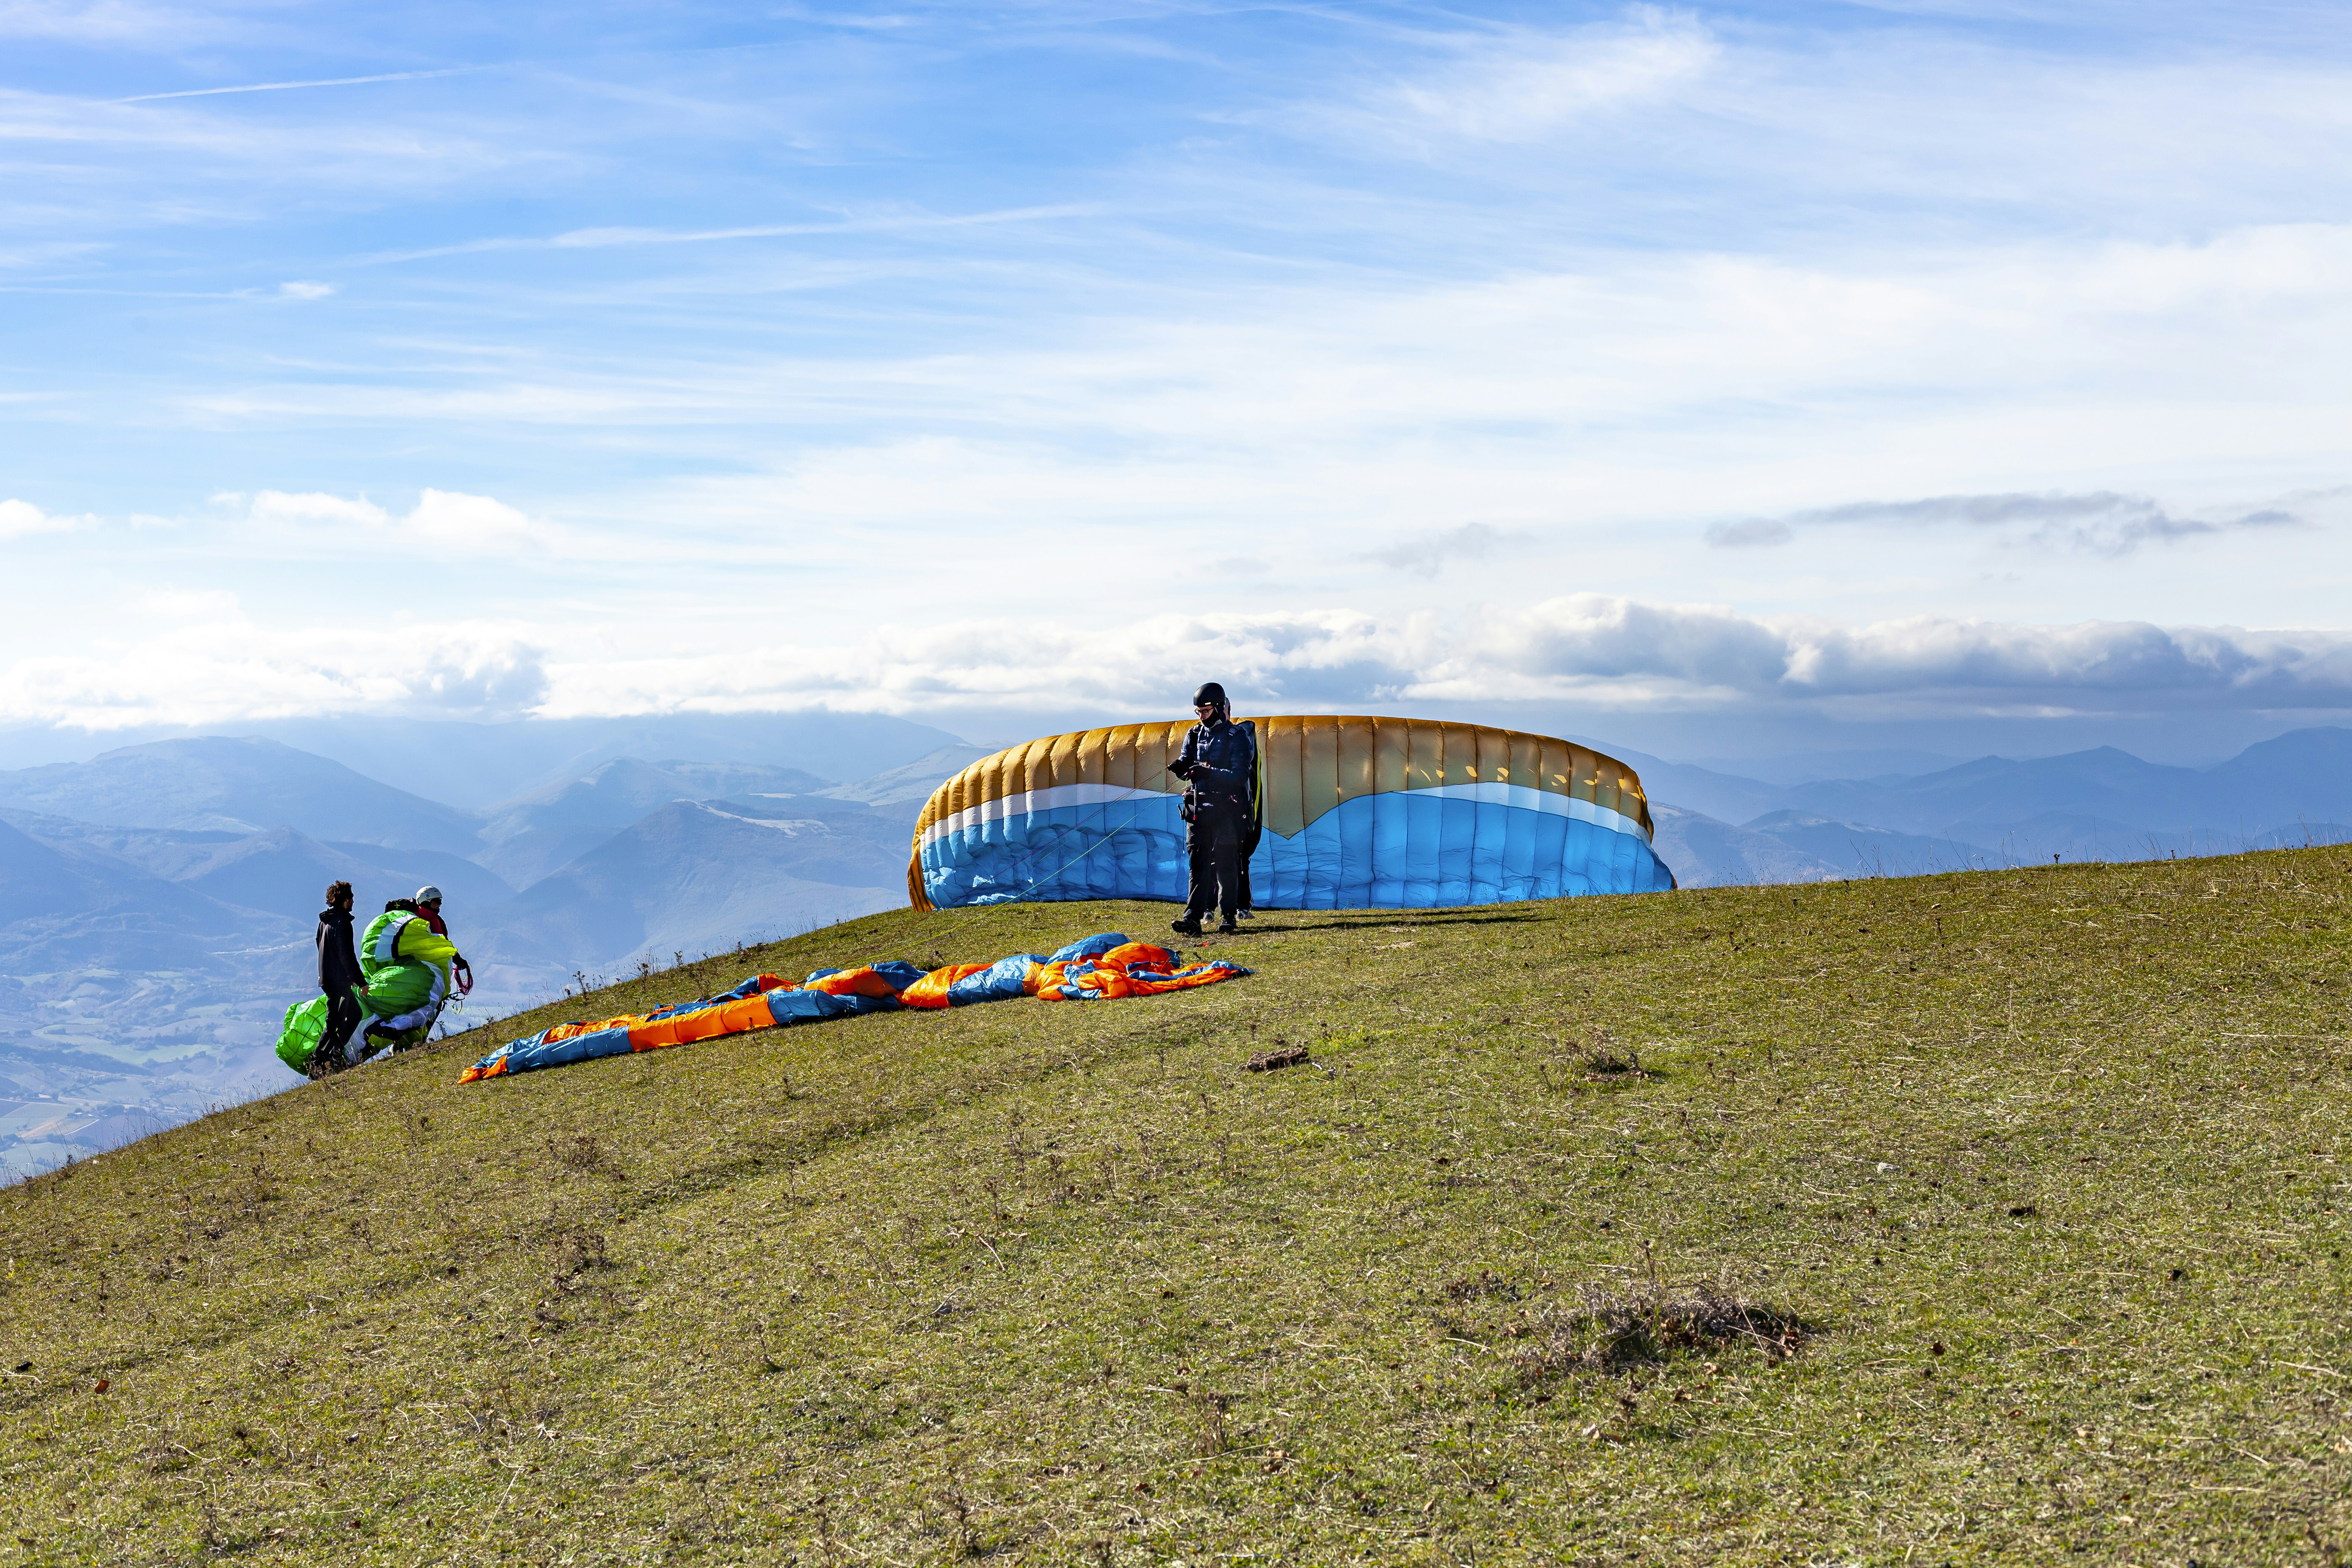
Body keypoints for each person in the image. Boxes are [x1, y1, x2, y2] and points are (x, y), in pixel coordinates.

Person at [1167, 681, 1258, 937]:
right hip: (1198, 807)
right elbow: (1187, 760)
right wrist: (1181, 767)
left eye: (1205, 711)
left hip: (1227, 810)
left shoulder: (1237, 737)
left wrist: (1208, 771)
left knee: (1227, 863)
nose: (1201, 716)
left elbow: (1240, 776)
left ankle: (1228, 917)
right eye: (1198, 712)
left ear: (1218, 708)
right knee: (1198, 863)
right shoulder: (1194, 734)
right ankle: (1192, 918)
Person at [311, 880, 367, 1078]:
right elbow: (347, 955)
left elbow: (321, 946)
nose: (353, 901)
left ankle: (332, 1056)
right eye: (351, 898)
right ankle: (318, 1063)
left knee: (351, 1014)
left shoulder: (324, 922)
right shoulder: (342, 923)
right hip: (338, 981)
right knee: (334, 1021)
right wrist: (360, 981)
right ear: (344, 901)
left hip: (328, 978)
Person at [414, 885, 474, 999]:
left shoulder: (437, 921)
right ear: (426, 902)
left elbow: (444, 944)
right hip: (417, 968)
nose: (440, 904)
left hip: (432, 971)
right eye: (437, 901)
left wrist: (457, 959)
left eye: (440, 901)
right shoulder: (413, 920)